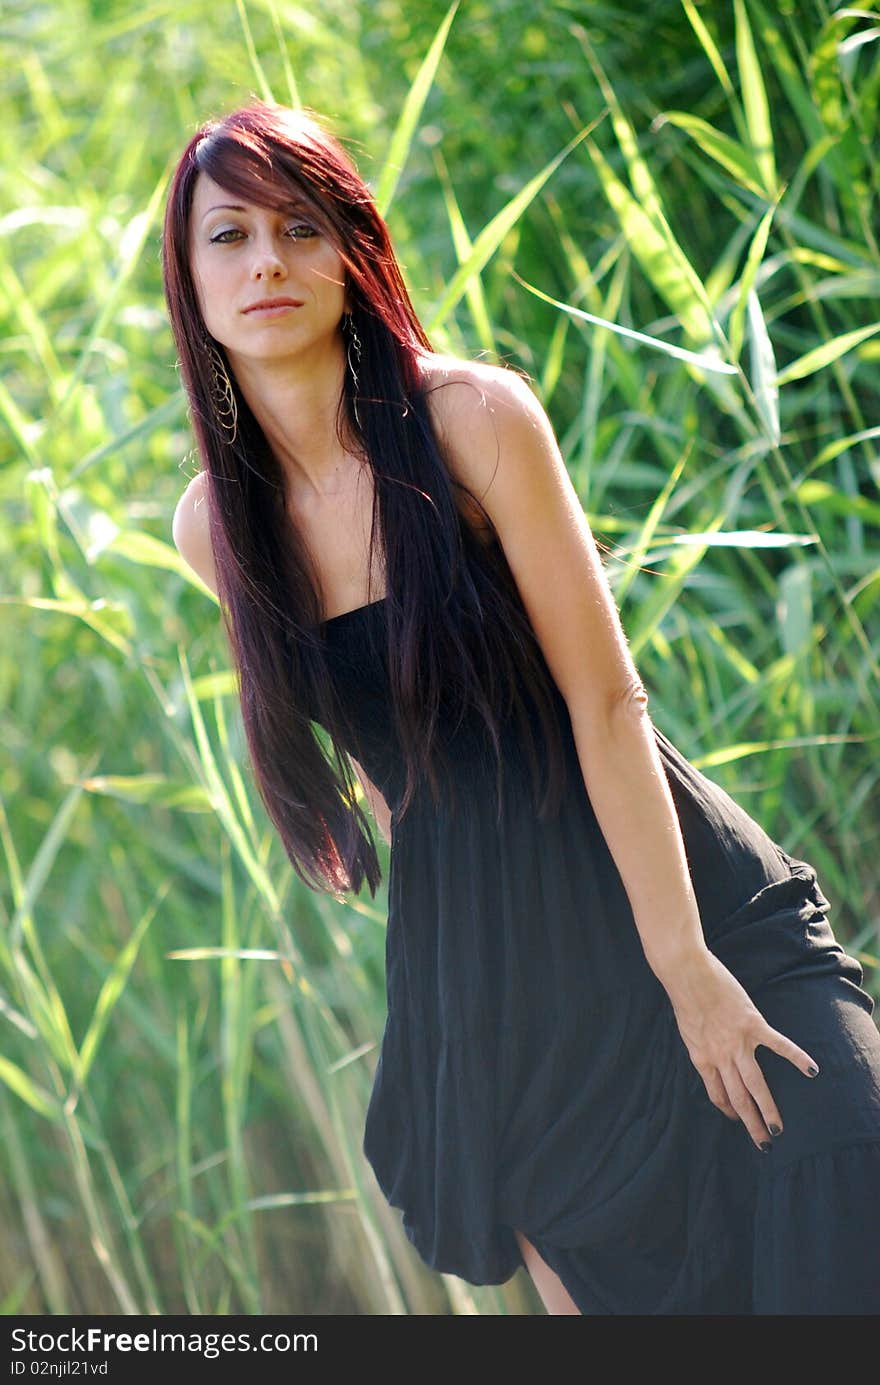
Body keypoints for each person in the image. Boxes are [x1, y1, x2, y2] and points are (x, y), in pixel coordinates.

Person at [164, 101, 880, 1315]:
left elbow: (606, 705)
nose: (267, 262)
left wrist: (688, 969)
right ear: (188, 281)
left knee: (837, 1150)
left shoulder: (471, 423)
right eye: (226, 236)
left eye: (298, 225)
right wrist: (469, 1049)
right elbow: (392, 782)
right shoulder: (214, 529)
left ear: (353, 251)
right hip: (508, 985)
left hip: (678, 899)